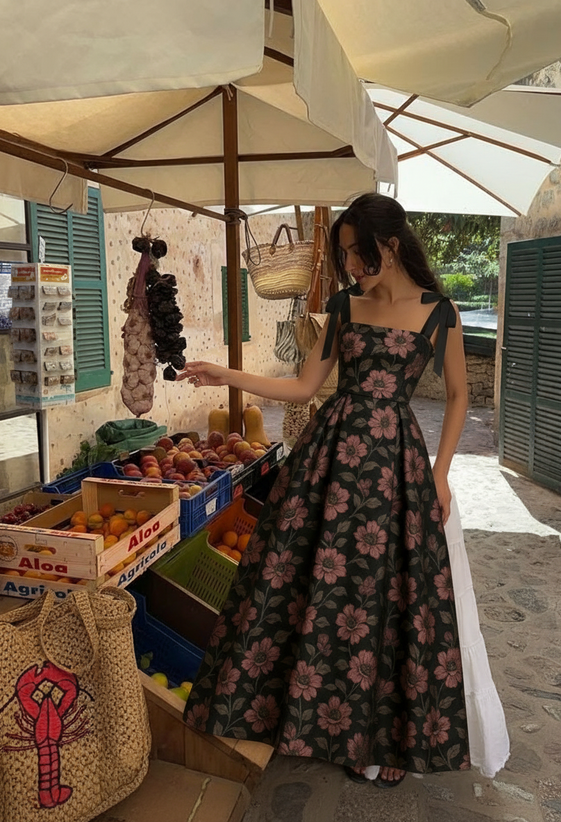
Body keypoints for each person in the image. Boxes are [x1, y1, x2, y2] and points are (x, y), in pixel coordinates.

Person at [178, 192, 509, 787]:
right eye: (345, 256)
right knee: (318, 594)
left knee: (383, 603)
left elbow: (459, 395)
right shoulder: (343, 306)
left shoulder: (441, 311)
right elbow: (306, 388)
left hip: (397, 471)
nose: (351, 267)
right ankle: (317, 724)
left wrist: (440, 473)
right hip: (329, 466)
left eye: (357, 254)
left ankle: (379, 742)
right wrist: (224, 374)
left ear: (390, 243)